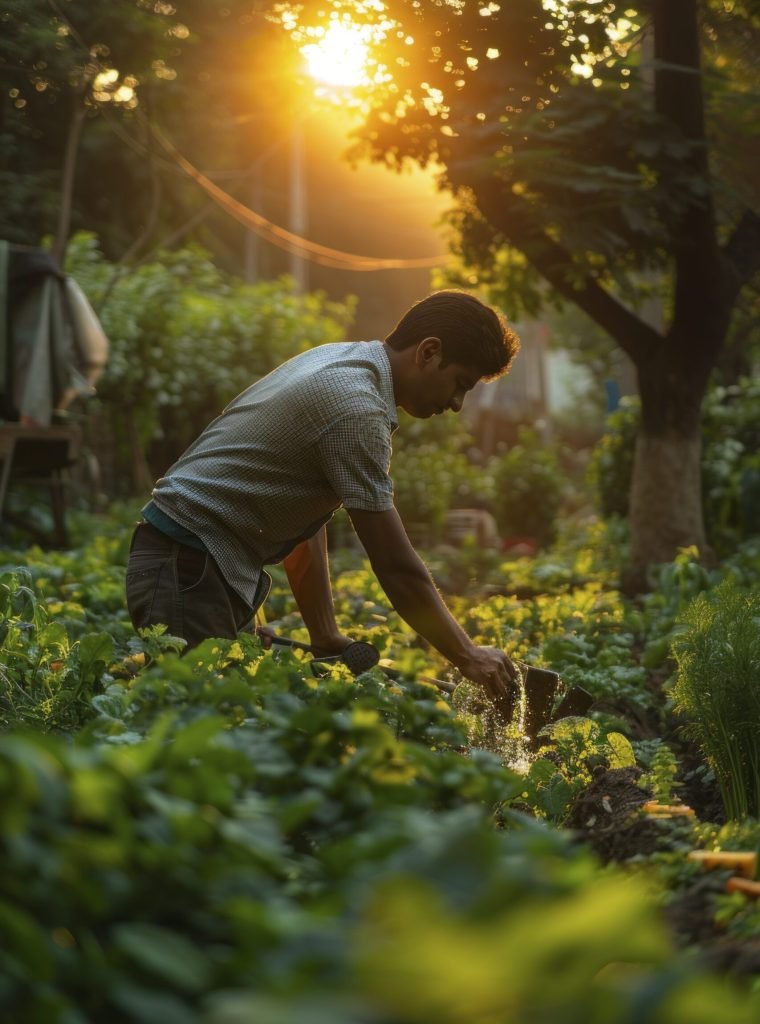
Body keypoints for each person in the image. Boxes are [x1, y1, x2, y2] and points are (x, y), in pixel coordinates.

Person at [126, 290, 521, 708]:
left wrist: (324, 634)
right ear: (429, 352)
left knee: (220, 727)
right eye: (460, 384)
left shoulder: (343, 360)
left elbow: (302, 517)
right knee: (195, 736)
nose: (457, 404)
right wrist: (467, 654)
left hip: (191, 565)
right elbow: (395, 565)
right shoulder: (357, 410)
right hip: (185, 569)